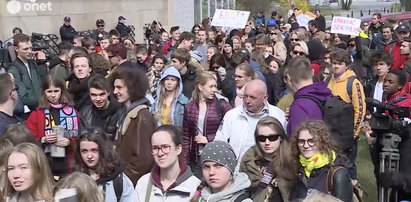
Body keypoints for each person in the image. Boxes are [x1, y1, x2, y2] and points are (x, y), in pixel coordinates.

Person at [215, 80, 286, 170]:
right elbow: (219, 142)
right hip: (235, 172)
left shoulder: (278, 115)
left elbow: (285, 145)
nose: (247, 101)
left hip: (265, 173)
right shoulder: (232, 115)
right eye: (245, 96)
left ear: (265, 97)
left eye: (253, 97)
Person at [26, 75, 80, 178]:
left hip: (68, 163)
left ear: (62, 91)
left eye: (56, 91)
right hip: (47, 163)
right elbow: (29, 139)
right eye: (49, 92)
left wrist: (69, 142)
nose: (53, 95)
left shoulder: (72, 112)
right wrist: (43, 139)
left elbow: (79, 136)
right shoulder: (37, 114)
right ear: (44, 93)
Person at [110, 67, 156, 185]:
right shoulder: (124, 113)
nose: (115, 92)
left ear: (132, 88)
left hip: (132, 183)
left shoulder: (141, 116)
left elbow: (142, 160)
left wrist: (124, 182)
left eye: (119, 87)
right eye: (114, 87)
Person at [182, 71, 232, 177]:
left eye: (215, 86)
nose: (214, 89)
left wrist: (209, 138)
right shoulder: (190, 107)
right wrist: (184, 161)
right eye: (211, 86)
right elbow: (186, 136)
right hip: (196, 157)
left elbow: (230, 131)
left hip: (216, 157)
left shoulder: (222, 105)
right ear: (200, 86)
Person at [327, 49, 365, 180]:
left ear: (347, 65)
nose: (336, 66)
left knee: (348, 167)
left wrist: (354, 134)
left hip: (347, 134)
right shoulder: (328, 80)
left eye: (340, 63)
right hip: (331, 133)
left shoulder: (353, 83)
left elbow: (360, 109)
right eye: (334, 63)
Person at [135, 125, 201, 201]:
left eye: (165, 147)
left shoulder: (194, 186)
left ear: (178, 149)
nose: (160, 153)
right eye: (155, 148)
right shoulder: (144, 183)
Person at [291, 120, 353, 202]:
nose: (306, 145)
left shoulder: (338, 174)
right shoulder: (299, 166)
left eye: (311, 141)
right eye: (301, 141)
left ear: (322, 141)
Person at [240, 116, 296, 201]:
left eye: (272, 138)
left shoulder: (293, 157)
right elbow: (242, 188)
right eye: (262, 138)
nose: (267, 143)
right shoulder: (249, 159)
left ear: (280, 137)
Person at [74, 129, 135, 201]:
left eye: (94, 150)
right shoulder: (75, 180)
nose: (89, 156)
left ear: (103, 150)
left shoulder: (120, 181)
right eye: (84, 151)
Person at [286, 56, 332, 135]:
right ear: (313, 72)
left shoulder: (299, 105)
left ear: (289, 79)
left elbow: (298, 141)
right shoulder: (326, 94)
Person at [80, 75, 124, 140]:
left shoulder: (120, 111)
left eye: (101, 94)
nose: (98, 99)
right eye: (94, 95)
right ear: (89, 94)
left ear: (108, 93)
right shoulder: (84, 113)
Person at [7, 34, 41, 113]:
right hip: (27, 112)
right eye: (25, 49)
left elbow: (40, 85)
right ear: (16, 49)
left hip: (39, 107)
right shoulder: (13, 69)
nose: (29, 51)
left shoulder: (33, 64)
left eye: (30, 48)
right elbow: (23, 96)